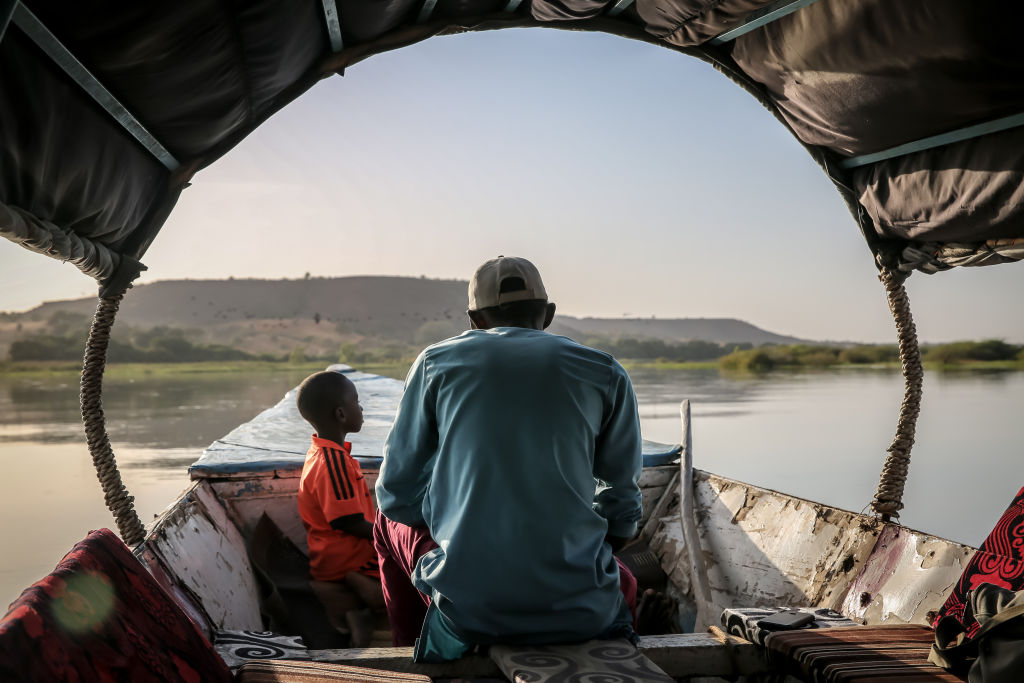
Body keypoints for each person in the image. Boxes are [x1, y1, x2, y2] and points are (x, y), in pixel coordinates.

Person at [375, 256, 643, 661]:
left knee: (383, 521)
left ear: (474, 319)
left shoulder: (436, 363)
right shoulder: (605, 370)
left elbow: (395, 494)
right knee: (613, 570)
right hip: (583, 611)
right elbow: (622, 513)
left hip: (470, 612)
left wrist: (450, 524)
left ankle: (410, 650)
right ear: (549, 314)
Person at [295, 370, 384, 647]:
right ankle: (367, 604)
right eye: (356, 401)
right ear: (341, 414)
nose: (361, 407)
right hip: (347, 559)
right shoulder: (333, 462)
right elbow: (349, 522)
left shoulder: (322, 453)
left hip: (336, 555)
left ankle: (365, 605)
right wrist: (392, 534)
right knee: (416, 573)